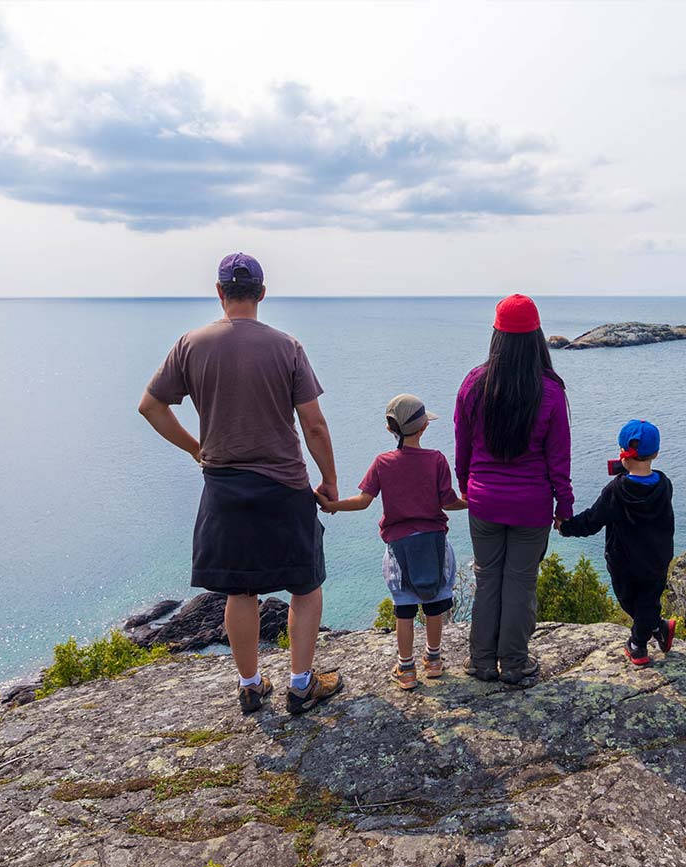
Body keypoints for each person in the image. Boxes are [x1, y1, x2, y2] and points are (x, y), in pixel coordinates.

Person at [138, 251, 344, 715]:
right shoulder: (287, 346)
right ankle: (300, 684)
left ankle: (250, 686)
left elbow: (150, 406)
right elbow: (313, 424)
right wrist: (330, 480)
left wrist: (196, 449)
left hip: (224, 487)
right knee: (305, 586)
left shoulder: (191, 344)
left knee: (239, 591)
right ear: (262, 294)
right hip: (284, 485)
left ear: (219, 292)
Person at [454, 294, 574, 684]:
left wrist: (465, 485)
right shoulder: (551, 391)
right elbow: (559, 459)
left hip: (484, 500)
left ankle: (482, 662)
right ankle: (515, 664)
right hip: (531, 505)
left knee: (488, 577)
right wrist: (565, 506)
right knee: (521, 581)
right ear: (537, 337)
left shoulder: (474, 383)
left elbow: (463, 446)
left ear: (496, 336)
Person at [319, 394, 468, 689]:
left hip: (399, 547)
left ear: (391, 429)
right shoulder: (436, 459)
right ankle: (434, 661)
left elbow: (363, 501)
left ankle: (407, 669)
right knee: (436, 601)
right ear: (424, 426)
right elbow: (449, 502)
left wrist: (332, 505)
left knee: (404, 608)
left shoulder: (383, 462)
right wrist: (473, 501)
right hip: (435, 542)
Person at [558, 419, 675, 667]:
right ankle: (658, 626)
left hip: (625, 561)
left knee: (629, 600)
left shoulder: (617, 490)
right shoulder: (664, 484)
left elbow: (592, 520)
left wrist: (565, 527)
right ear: (655, 453)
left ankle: (637, 645)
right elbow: (644, 494)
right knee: (647, 600)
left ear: (623, 452)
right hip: (657, 559)